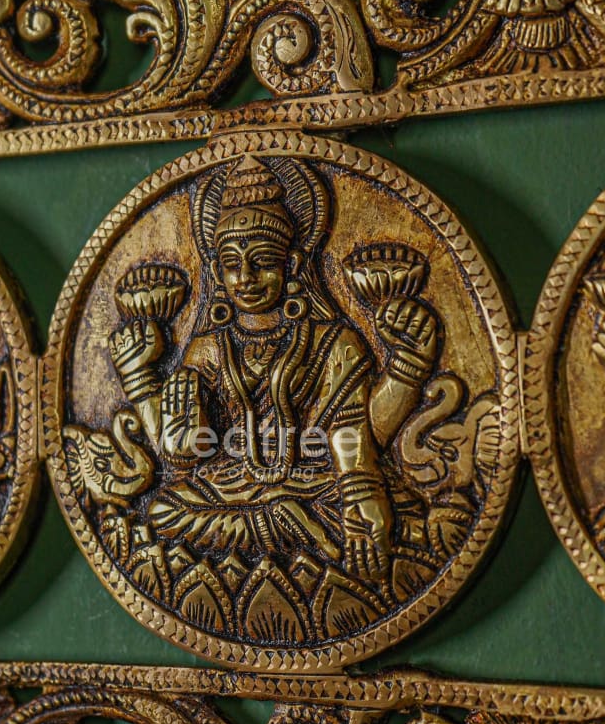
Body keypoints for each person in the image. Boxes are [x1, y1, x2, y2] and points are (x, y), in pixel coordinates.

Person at [109, 155, 438, 598]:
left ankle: (292, 524)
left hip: (316, 485)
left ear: (293, 263)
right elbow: (182, 451)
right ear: (217, 272)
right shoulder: (209, 348)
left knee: (386, 511)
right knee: (165, 511)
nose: (245, 278)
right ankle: (289, 525)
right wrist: (141, 379)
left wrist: (407, 370)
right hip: (228, 494)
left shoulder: (332, 341)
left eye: (262, 261)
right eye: (232, 264)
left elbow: (355, 432)